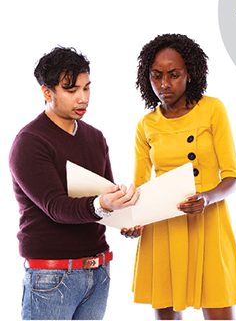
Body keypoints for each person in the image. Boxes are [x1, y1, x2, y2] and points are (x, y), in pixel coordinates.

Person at [121, 34, 236, 320]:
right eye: (156, 76)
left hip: (207, 219)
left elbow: (232, 176)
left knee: (218, 308)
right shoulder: (146, 125)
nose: (164, 84)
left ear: (190, 73)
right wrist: (133, 220)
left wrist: (206, 197)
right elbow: (140, 188)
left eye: (174, 75)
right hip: (163, 225)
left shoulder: (213, 110)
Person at [9, 46, 140, 320]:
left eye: (87, 88)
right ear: (47, 92)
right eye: (71, 90)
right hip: (51, 276)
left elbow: (105, 197)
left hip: (98, 273)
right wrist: (103, 204)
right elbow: (56, 207)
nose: (83, 98)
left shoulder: (95, 138)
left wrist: (126, 218)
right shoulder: (30, 142)